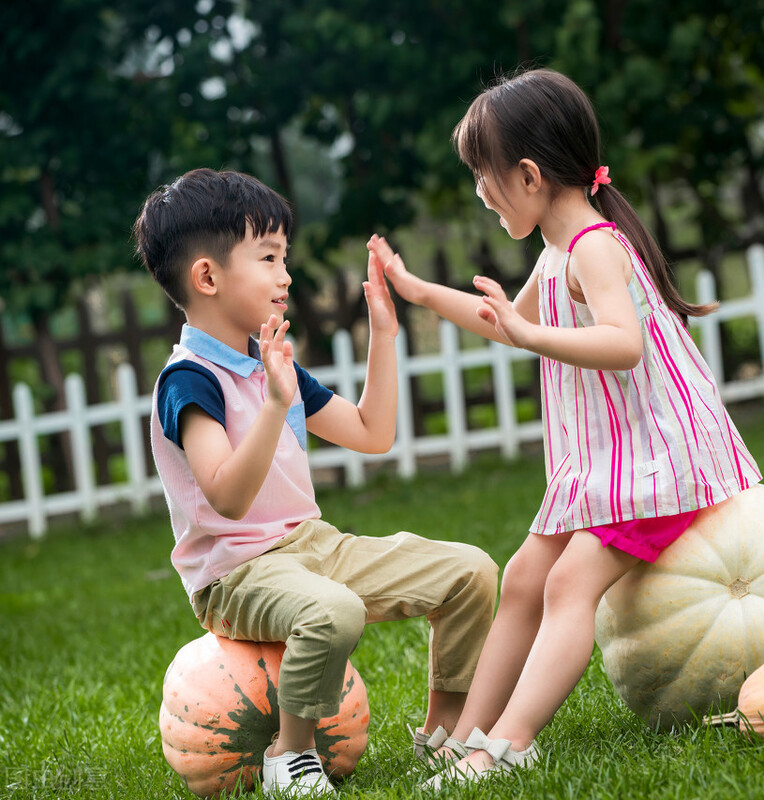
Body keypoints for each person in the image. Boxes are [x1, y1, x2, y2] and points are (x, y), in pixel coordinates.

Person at [367, 68, 762, 786]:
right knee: (522, 578)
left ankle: (508, 744)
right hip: (608, 463)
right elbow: (504, 324)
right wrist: (420, 292)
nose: (480, 193)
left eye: (483, 177)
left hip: (658, 464)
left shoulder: (594, 246)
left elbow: (623, 342)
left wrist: (530, 332)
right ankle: (463, 737)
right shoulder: (557, 250)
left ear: (526, 174)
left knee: (567, 586)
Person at [134, 168, 498, 797]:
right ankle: (290, 754)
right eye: (269, 258)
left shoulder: (269, 362)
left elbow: (370, 432)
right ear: (208, 277)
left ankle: (445, 732)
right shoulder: (189, 381)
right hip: (237, 574)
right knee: (334, 612)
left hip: (313, 547)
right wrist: (275, 405)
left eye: (285, 257)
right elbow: (225, 495)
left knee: (470, 572)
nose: (286, 275)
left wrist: (383, 333)